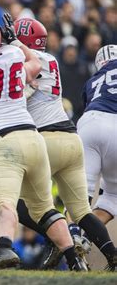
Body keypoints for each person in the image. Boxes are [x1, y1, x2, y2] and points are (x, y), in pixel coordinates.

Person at [0, 14, 85, 271]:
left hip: (5, 142)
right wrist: (16, 43)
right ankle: (74, 259)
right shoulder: (13, 58)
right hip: (34, 138)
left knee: (4, 203)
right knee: (45, 208)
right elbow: (33, 63)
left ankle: (3, 248)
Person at [12, 18, 117, 271]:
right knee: (84, 208)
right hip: (69, 137)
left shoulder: (91, 80)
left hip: (72, 131)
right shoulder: (51, 61)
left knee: (20, 204)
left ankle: (64, 243)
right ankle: (111, 255)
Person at [77, 44, 117, 269]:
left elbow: (86, 105)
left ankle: (77, 235)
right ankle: (82, 237)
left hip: (90, 122)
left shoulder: (92, 80)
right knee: (113, 195)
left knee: (81, 191)